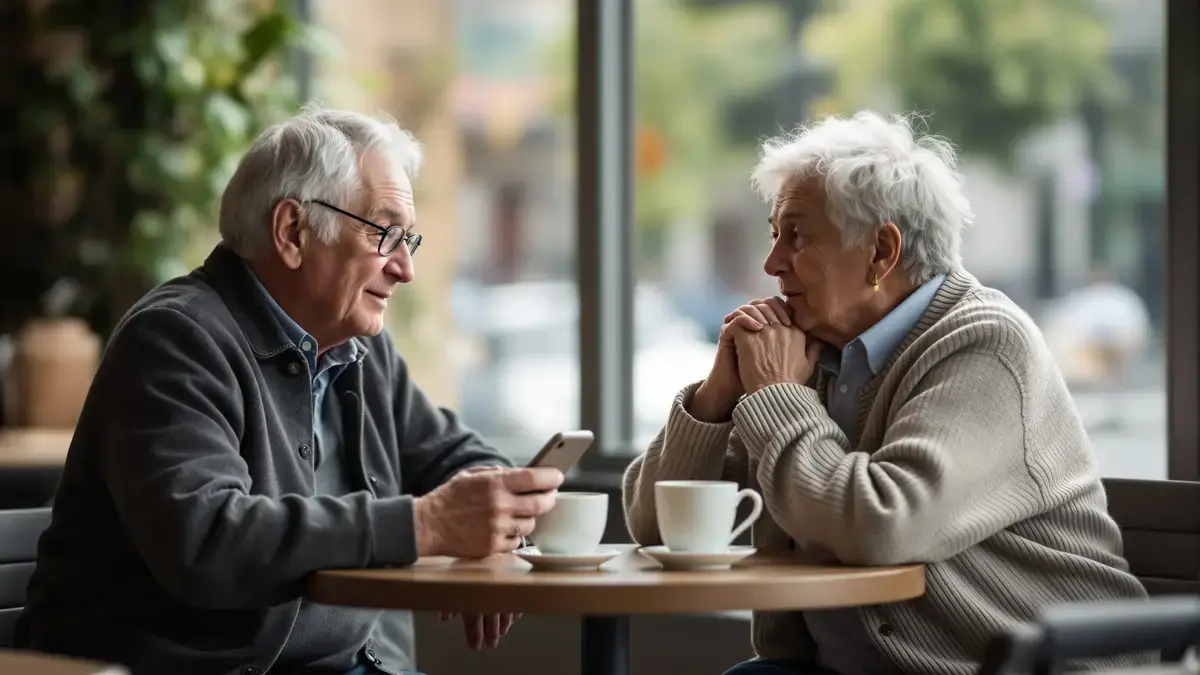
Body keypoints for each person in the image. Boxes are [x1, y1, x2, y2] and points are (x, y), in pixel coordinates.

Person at [15, 107, 563, 675]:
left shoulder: (361, 350)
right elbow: (207, 542)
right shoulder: (176, 339)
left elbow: (461, 458)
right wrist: (425, 525)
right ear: (293, 231)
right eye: (386, 233)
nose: (405, 268)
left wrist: (498, 523)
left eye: (410, 241)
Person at [622, 112, 1149, 675]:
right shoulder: (813, 354)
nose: (772, 263)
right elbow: (656, 526)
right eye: (775, 235)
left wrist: (777, 397)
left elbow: (879, 526)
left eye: (797, 236)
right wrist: (715, 399)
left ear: (881, 253)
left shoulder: (986, 344)